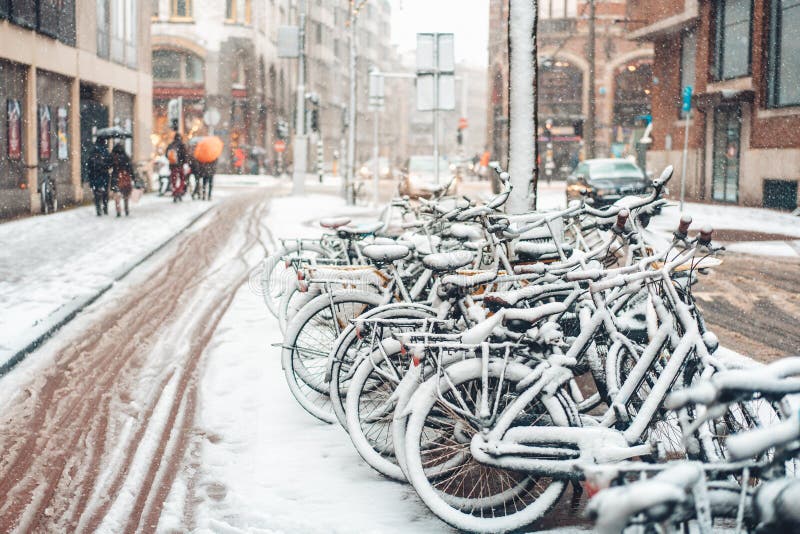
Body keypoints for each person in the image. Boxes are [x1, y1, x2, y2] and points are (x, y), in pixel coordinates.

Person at [87, 137, 112, 216]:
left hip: (94, 175)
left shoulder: (92, 151)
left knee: (96, 192)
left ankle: (98, 208)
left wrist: (90, 176)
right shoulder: (105, 151)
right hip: (104, 175)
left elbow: (89, 165)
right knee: (105, 193)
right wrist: (106, 167)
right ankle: (105, 208)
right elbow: (109, 163)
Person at [110, 143, 134, 217]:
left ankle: (118, 210)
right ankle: (126, 208)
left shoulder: (113, 157)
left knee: (117, 194)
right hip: (125, 177)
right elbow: (130, 168)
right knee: (125, 194)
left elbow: (109, 166)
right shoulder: (126, 157)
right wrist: (133, 177)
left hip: (115, 177)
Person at [166, 133, 188, 202]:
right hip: (180, 166)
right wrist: (184, 162)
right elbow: (185, 155)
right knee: (182, 179)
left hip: (172, 166)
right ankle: (179, 192)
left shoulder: (171, 145)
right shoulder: (182, 145)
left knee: (174, 180)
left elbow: (166, 155)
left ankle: (175, 192)